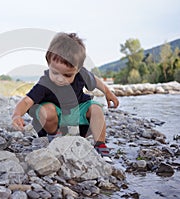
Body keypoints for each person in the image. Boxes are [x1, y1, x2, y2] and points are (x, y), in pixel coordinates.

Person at [11, 32, 119, 162]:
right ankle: (55, 138)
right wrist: (17, 115)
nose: (60, 79)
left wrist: (108, 92)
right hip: (54, 119)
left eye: (67, 75)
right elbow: (27, 101)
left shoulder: (82, 74)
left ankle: (100, 145)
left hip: (78, 116)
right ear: (48, 63)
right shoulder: (45, 83)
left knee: (96, 109)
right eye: (55, 72)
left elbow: (95, 81)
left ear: (78, 70)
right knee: (47, 110)